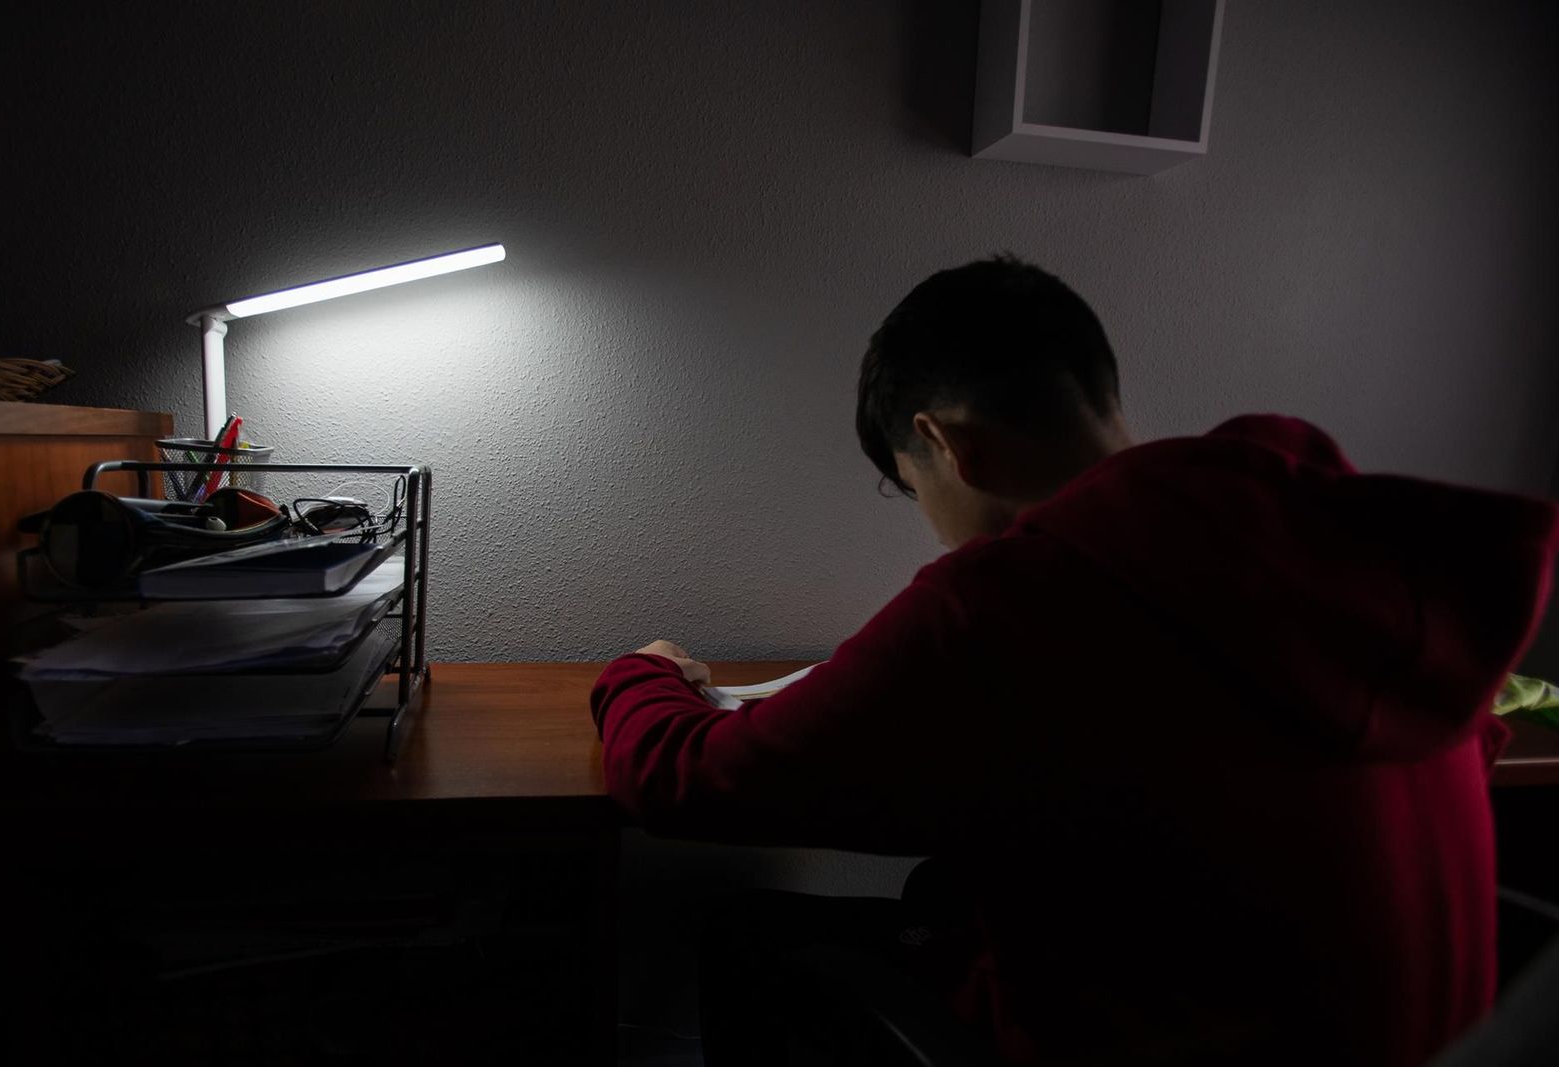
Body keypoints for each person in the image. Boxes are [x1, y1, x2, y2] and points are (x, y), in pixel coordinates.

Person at [589, 255, 1559, 1065]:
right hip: (1433, 1041)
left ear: (945, 443)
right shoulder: (1340, 543)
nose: (931, 530)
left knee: (752, 935)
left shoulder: (1009, 598)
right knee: (951, 895)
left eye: (908, 487)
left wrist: (642, 674)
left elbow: (688, 778)